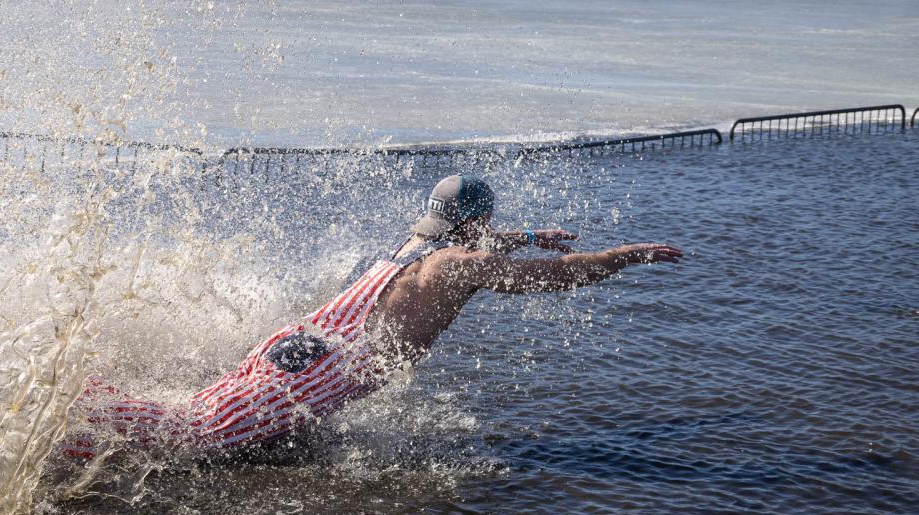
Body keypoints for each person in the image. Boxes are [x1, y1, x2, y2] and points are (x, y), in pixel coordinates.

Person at [61, 174, 682, 460]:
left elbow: (470, 246)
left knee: (194, 418)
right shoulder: (457, 265)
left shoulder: (418, 245)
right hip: (314, 373)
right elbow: (557, 276)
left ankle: (74, 406)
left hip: (299, 345)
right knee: (191, 433)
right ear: (475, 224)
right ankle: (57, 418)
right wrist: (624, 256)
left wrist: (524, 234)